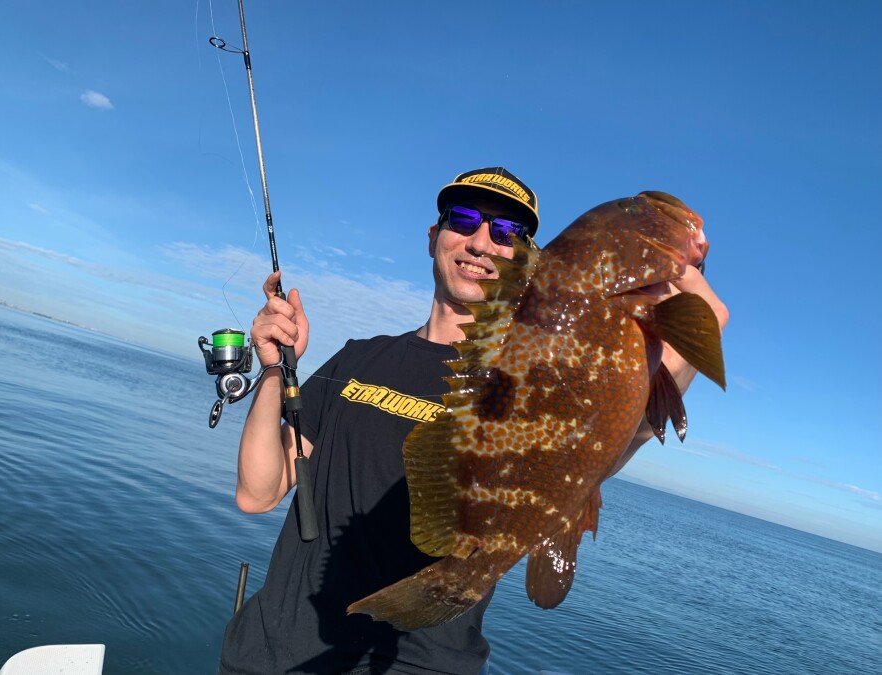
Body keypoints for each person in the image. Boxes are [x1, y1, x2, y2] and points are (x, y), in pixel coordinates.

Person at [218, 167, 729, 675]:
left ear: (528, 259)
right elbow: (257, 493)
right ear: (433, 238)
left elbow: (620, 427)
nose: (482, 242)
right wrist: (273, 368)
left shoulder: (543, 380)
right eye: (463, 219)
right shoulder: (356, 359)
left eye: (507, 232)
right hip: (263, 655)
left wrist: (682, 282)